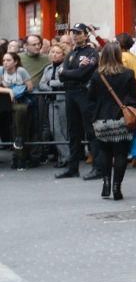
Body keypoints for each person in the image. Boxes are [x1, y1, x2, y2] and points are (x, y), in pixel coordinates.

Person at [87, 42, 136, 200]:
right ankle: (117, 186)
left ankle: (106, 183)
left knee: (104, 152)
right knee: (121, 153)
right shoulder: (128, 74)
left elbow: (91, 97)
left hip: (102, 119)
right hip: (121, 118)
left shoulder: (98, 75)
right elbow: (134, 98)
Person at [56, 24, 100, 180]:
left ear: (86, 35)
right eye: (73, 33)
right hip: (70, 93)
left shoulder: (91, 52)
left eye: (78, 33)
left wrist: (67, 72)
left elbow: (82, 74)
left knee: (91, 131)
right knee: (73, 131)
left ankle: (98, 168)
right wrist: (68, 73)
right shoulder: (72, 53)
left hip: (84, 94)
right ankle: (72, 168)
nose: (75, 36)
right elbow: (60, 75)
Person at [37, 43, 70, 168]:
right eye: (52, 52)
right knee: (54, 130)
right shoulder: (48, 68)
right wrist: (51, 88)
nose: (54, 54)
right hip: (51, 101)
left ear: (63, 55)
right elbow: (41, 84)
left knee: (64, 129)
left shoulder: (66, 67)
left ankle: (66, 157)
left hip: (63, 101)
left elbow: (65, 82)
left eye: (57, 52)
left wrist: (51, 83)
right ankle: (65, 156)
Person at [0, 52, 33, 170]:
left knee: (19, 128)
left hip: (20, 103)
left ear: (15, 62)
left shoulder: (21, 71)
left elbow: (30, 87)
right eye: (4, 60)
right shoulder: (1, 70)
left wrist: (16, 89)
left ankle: (20, 159)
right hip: (4, 104)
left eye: (8, 60)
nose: (5, 63)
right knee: (12, 127)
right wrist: (8, 91)